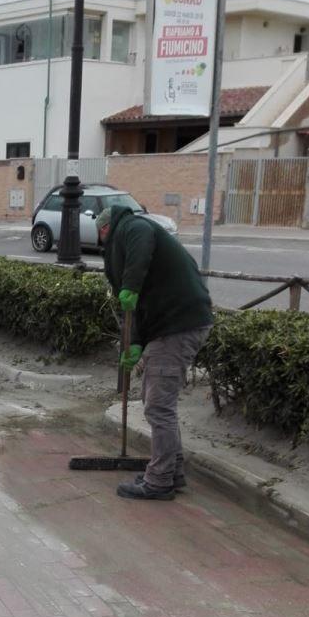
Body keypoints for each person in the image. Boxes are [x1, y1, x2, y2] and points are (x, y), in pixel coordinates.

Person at [95, 205, 213, 501]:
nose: (102, 240)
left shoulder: (132, 227)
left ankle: (159, 481)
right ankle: (171, 472)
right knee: (155, 401)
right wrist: (132, 343)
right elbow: (132, 308)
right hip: (173, 324)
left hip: (177, 325)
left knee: (159, 406)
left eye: (102, 235)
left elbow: (141, 245)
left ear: (106, 229)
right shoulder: (126, 236)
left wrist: (131, 285)